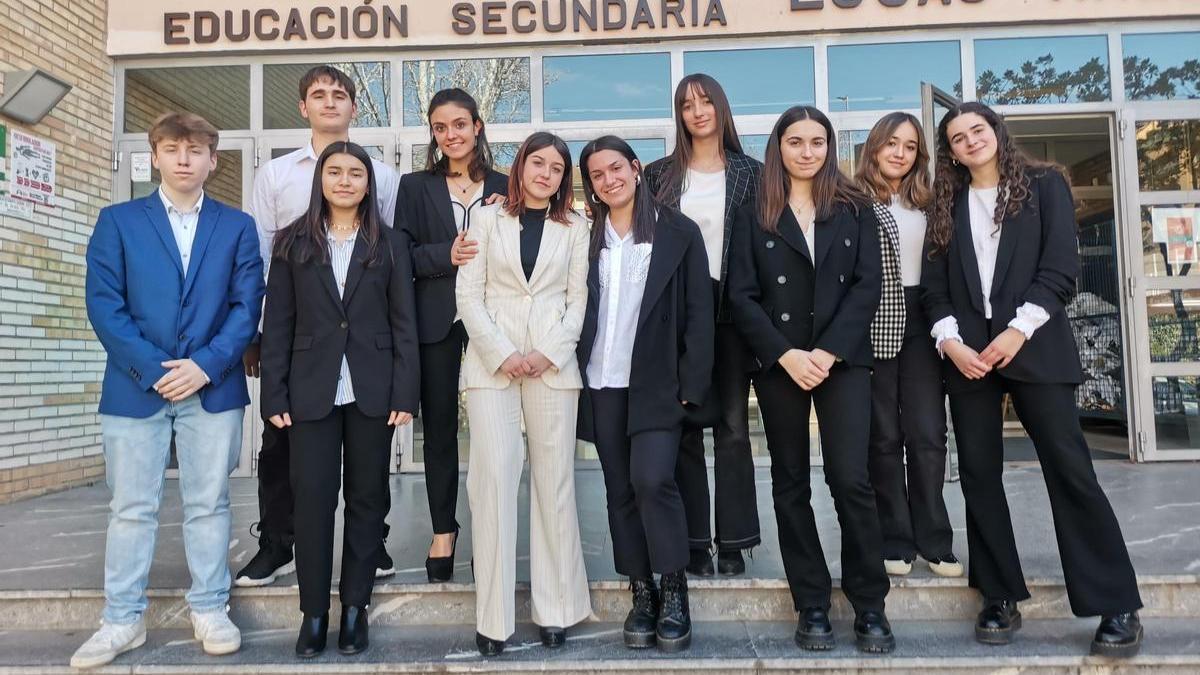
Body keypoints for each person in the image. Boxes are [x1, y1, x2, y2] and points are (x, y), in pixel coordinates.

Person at [922, 101, 1143, 655]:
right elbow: (934, 285)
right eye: (957, 137)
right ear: (950, 151)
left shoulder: (1044, 185)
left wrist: (1018, 331)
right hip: (970, 357)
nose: (970, 141)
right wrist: (950, 341)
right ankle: (998, 595)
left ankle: (1115, 601)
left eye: (978, 130)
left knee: (1070, 471)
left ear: (996, 132)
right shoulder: (946, 202)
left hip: (1036, 347)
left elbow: (1060, 271)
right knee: (978, 475)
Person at [74, 112, 264, 669]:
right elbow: (104, 305)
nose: (185, 158)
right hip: (137, 390)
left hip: (212, 389)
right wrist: (156, 370)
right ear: (155, 156)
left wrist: (204, 366)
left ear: (212, 160)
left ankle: (209, 607)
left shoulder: (236, 226)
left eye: (197, 149)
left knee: (209, 504)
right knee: (132, 508)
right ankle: (121, 619)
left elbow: (246, 304)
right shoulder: (118, 221)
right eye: (173, 148)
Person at [727, 105, 894, 654]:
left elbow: (867, 286)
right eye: (795, 141)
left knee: (851, 478)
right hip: (780, 365)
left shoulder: (854, 207)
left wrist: (824, 352)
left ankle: (870, 605)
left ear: (829, 147)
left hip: (841, 360)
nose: (807, 151)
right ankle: (812, 603)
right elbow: (741, 295)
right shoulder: (755, 210)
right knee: (791, 481)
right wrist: (785, 355)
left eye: (817, 142)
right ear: (778, 147)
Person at [239, 65, 401, 587]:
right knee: (281, 446)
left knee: (367, 455)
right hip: (298, 337)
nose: (330, 102)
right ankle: (278, 543)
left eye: (340, 95)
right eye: (318, 95)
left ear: (354, 107)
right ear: (303, 107)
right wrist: (260, 332)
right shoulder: (276, 174)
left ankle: (369, 543)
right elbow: (262, 255)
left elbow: (383, 252)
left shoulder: (382, 175)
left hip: (361, 345)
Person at [260, 141, 419, 658]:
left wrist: (405, 391)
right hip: (310, 390)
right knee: (312, 500)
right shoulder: (292, 242)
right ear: (320, 180)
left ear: (369, 184)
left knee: (368, 499)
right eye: (335, 172)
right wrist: (273, 393)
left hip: (372, 389)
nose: (345, 181)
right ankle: (313, 613)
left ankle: (355, 608)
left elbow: (404, 325)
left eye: (356, 173)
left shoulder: (390, 242)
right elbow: (279, 323)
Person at [457, 132, 593, 656]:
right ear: (520, 167)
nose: (547, 173)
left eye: (557, 168)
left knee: (554, 486)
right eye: (538, 163)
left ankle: (556, 609)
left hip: (552, 369)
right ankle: (493, 619)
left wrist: (547, 353)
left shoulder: (576, 227)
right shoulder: (486, 218)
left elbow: (578, 299)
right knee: (492, 483)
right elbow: (468, 294)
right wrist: (502, 353)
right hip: (492, 369)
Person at [577, 135, 714, 653]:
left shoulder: (678, 231)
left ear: (636, 169)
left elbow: (700, 312)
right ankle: (642, 590)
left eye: (616, 168)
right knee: (620, 491)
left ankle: (674, 588)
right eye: (597, 175)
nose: (609, 180)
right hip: (601, 379)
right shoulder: (586, 236)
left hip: (658, 383)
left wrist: (689, 385)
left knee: (653, 479)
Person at [643, 73, 763, 577]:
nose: (697, 111)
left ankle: (733, 540)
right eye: (687, 104)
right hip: (677, 312)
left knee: (733, 428)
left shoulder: (752, 173)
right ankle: (693, 540)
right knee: (685, 425)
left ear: (721, 107)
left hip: (734, 310)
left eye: (706, 100)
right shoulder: (658, 176)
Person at [395, 88, 509, 582]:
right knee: (439, 432)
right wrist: (447, 254)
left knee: (493, 433)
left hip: (493, 322)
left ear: (477, 126)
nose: (451, 135)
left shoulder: (509, 183)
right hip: (436, 321)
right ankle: (444, 530)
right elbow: (403, 257)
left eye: (459, 124)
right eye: (440, 127)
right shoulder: (414, 187)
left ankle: (494, 528)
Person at [855, 112, 962, 579]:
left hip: (924, 316)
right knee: (882, 437)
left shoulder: (932, 200)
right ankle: (894, 539)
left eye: (911, 146)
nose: (900, 152)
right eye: (891, 143)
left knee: (927, 434)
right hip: (873, 319)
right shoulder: (851, 200)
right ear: (874, 147)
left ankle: (935, 540)